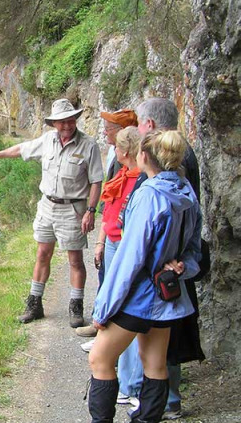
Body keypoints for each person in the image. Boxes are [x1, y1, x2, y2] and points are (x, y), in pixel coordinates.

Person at [87, 129, 202, 423]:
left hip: (139, 297)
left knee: (99, 359)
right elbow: (193, 251)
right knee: (154, 364)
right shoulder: (185, 190)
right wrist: (181, 268)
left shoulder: (149, 195)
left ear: (144, 156)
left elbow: (130, 259)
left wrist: (103, 309)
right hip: (167, 295)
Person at [0, 98, 103, 328]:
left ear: (75, 120)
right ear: (54, 124)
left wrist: (91, 211)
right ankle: (34, 305)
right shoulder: (47, 141)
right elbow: (21, 149)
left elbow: (96, 181)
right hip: (47, 206)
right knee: (42, 254)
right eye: (61, 122)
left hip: (73, 209)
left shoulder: (89, 145)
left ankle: (76, 308)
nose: (66, 126)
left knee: (75, 259)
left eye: (70, 120)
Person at [118, 98, 205, 420]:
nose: (137, 130)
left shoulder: (165, 169)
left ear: (150, 125)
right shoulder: (180, 155)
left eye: (140, 123)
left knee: (162, 337)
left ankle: (162, 401)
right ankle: (160, 400)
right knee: (162, 339)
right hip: (170, 266)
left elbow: (171, 221)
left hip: (163, 270)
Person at [78, 127, 141, 355]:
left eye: (117, 146)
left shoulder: (140, 180)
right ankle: (104, 340)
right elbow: (109, 211)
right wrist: (100, 242)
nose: (114, 148)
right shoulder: (122, 173)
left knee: (120, 297)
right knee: (108, 291)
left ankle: (111, 347)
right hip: (112, 241)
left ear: (125, 150)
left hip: (124, 245)